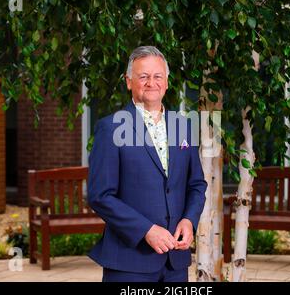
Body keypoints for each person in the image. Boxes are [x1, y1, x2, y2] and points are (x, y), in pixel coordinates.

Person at [87, 46, 207, 282]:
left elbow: (197, 184)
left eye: (157, 76)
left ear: (167, 81)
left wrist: (189, 220)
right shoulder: (110, 128)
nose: (151, 82)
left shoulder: (182, 126)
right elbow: (100, 195)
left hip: (175, 261)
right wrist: (146, 230)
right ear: (129, 81)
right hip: (129, 262)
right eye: (143, 76)